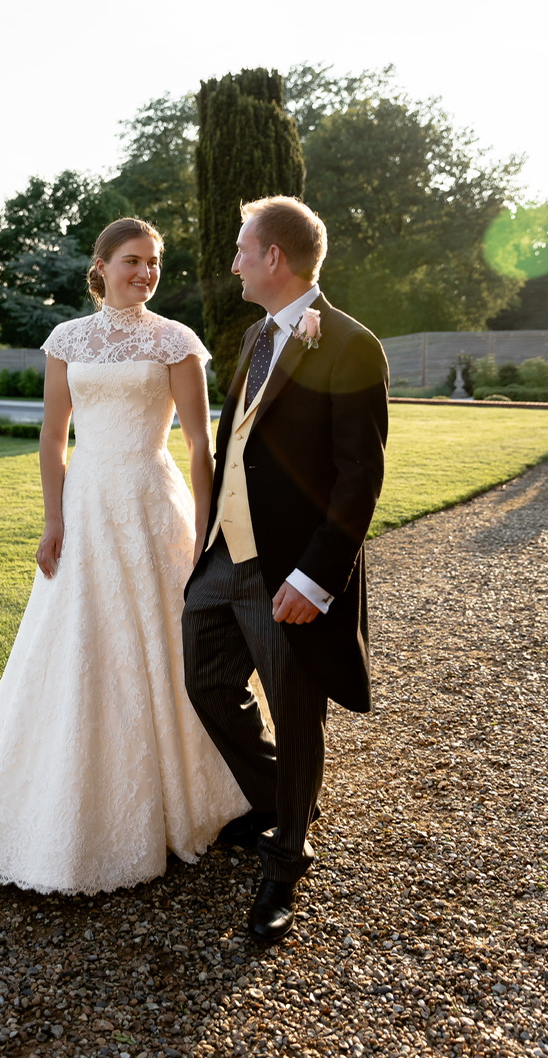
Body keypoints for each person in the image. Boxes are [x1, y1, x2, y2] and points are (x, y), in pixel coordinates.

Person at [0, 217, 248, 894]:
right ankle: (59, 805)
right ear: (102, 265)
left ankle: (193, 794)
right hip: (85, 506)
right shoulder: (66, 339)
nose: (145, 272)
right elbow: (53, 437)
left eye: (154, 262)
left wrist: (204, 531)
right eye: (132, 260)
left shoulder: (175, 340)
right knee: (80, 641)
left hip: (150, 503)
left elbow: (200, 445)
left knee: (163, 639)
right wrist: (53, 520)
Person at [182, 196, 389, 944]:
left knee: (297, 715)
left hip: (289, 573)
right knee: (205, 683)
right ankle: (278, 797)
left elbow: (359, 477)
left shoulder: (351, 344)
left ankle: (286, 860)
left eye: (242, 249)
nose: (234, 262)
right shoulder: (254, 335)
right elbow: (240, 445)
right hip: (224, 558)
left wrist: (313, 580)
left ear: (274, 256)